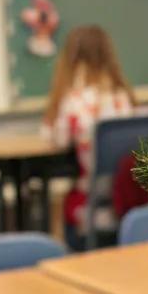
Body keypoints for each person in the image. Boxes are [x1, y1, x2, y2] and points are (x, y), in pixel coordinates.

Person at [43, 26, 136, 236]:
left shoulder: (73, 102)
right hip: (130, 206)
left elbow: (58, 140)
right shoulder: (123, 98)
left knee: (69, 200)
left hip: (92, 209)